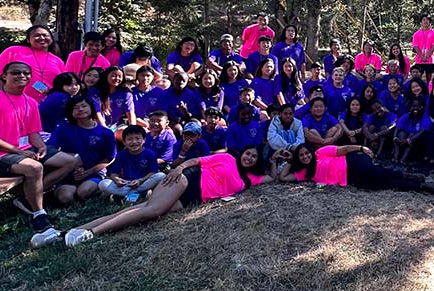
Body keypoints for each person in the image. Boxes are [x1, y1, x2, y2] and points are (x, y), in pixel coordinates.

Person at [63, 147, 271, 246]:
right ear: (242, 152)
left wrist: (275, 159)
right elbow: (196, 161)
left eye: (254, 156)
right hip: (187, 180)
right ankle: (92, 233)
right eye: (248, 153)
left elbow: (276, 177)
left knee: (140, 212)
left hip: (193, 199)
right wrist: (178, 168)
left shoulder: (249, 180)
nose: (249, 157)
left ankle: (78, 229)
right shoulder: (227, 158)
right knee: (152, 210)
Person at [0, 62, 77, 248]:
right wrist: (17, 151)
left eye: (26, 73)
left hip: (26, 147)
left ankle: (26, 199)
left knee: (70, 161)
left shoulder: (30, 102)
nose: (22, 76)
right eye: (16, 73)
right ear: (4, 76)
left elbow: (33, 132)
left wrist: (42, 147)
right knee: (35, 167)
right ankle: (39, 214)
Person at [278, 143, 434, 195]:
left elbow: (344, 149)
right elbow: (284, 177)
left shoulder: (321, 153)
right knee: (385, 184)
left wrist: (362, 148)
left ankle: (413, 179)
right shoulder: (304, 172)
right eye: (301, 156)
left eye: (307, 153)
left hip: (353, 162)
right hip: (351, 179)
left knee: (378, 173)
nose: (305, 157)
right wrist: (290, 160)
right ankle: (418, 184)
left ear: (311, 151)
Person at [46, 95, 117, 205]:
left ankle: (101, 189)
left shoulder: (106, 133)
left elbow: (109, 158)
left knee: (83, 192)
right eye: (75, 107)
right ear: (70, 112)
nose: (80, 109)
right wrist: (71, 158)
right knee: (65, 197)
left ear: (91, 108)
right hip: (67, 173)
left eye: (84, 106)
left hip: (93, 173)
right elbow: (50, 148)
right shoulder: (63, 128)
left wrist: (87, 172)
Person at [0, 25, 64, 102]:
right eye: (37, 35)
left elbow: (64, 84)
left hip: (48, 104)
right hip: (17, 101)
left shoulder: (57, 60)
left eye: (45, 35)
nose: (42, 38)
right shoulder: (14, 51)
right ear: (28, 40)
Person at [98, 125, 166, 201]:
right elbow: (114, 174)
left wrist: (140, 180)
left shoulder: (150, 154)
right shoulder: (121, 155)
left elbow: (153, 172)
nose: (134, 142)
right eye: (129, 139)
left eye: (137, 138)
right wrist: (117, 180)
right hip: (127, 184)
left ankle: (123, 195)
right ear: (124, 142)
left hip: (143, 182)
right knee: (103, 184)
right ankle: (139, 193)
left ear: (144, 140)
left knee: (161, 176)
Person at [394, 98, 431, 163]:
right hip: (403, 140)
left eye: (418, 106)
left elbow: (421, 132)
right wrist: (395, 138)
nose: (415, 108)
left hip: (417, 143)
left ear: (422, 107)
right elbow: (397, 127)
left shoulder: (425, 118)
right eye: (413, 106)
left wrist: (408, 140)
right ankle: (395, 158)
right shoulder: (407, 115)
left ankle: (403, 160)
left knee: (411, 135)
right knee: (401, 134)